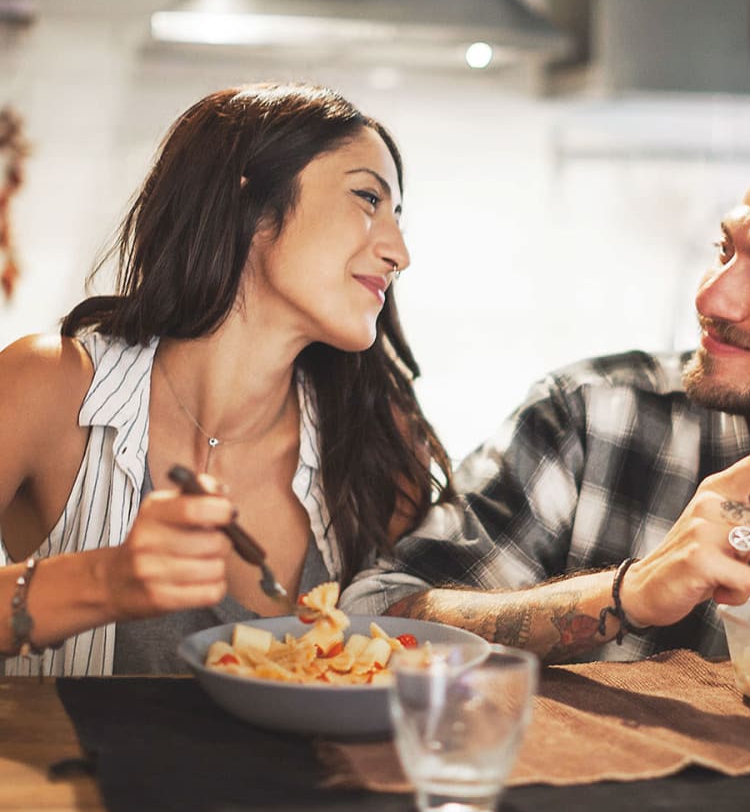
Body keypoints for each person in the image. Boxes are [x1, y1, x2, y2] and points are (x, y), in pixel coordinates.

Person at [340, 109, 750, 737]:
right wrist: (628, 594)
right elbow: (369, 616)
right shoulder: (592, 419)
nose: (712, 296)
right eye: (726, 250)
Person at [0, 82, 451, 675]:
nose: (399, 251)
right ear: (250, 205)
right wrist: (103, 579)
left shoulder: (375, 440)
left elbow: (423, 645)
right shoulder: (48, 386)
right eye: (367, 199)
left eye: (397, 215)